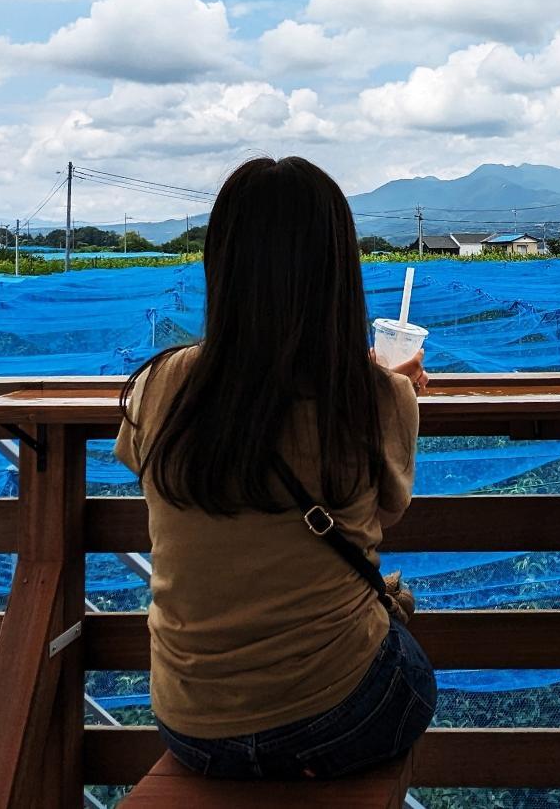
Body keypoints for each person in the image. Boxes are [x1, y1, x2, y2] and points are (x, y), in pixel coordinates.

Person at [115, 155, 435, 779]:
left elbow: (142, 464)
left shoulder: (158, 385)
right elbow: (387, 511)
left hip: (191, 726)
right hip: (340, 716)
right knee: (407, 660)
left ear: (222, 264)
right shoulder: (374, 397)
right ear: (338, 270)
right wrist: (393, 394)